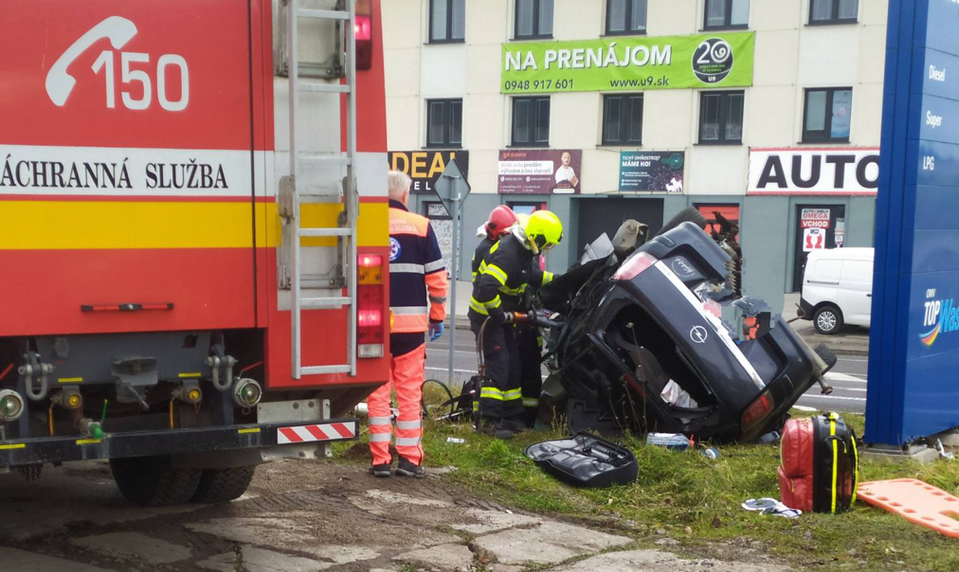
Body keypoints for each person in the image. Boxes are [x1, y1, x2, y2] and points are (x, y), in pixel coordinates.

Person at [368, 171, 448, 478]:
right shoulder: (421, 226)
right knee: (409, 394)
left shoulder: (366, 225)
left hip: (371, 328)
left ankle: (379, 461)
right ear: (405, 196)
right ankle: (409, 460)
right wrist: (437, 318)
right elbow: (437, 280)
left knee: (377, 393)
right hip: (411, 328)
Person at [469, 210, 563, 439]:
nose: (545, 249)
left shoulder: (523, 251)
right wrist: (499, 314)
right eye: (547, 245)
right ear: (537, 237)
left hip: (501, 318)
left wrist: (565, 280)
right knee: (499, 366)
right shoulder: (509, 252)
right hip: (487, 317)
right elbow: (486, 287)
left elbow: (534, 277)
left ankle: (511, 418)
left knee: (512, 365)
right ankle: (488, 422)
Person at [472, 206, 518, 283]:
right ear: (499, 234)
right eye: (508, 234)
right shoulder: (487, 249)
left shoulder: (495, 246)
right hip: (487, 292)